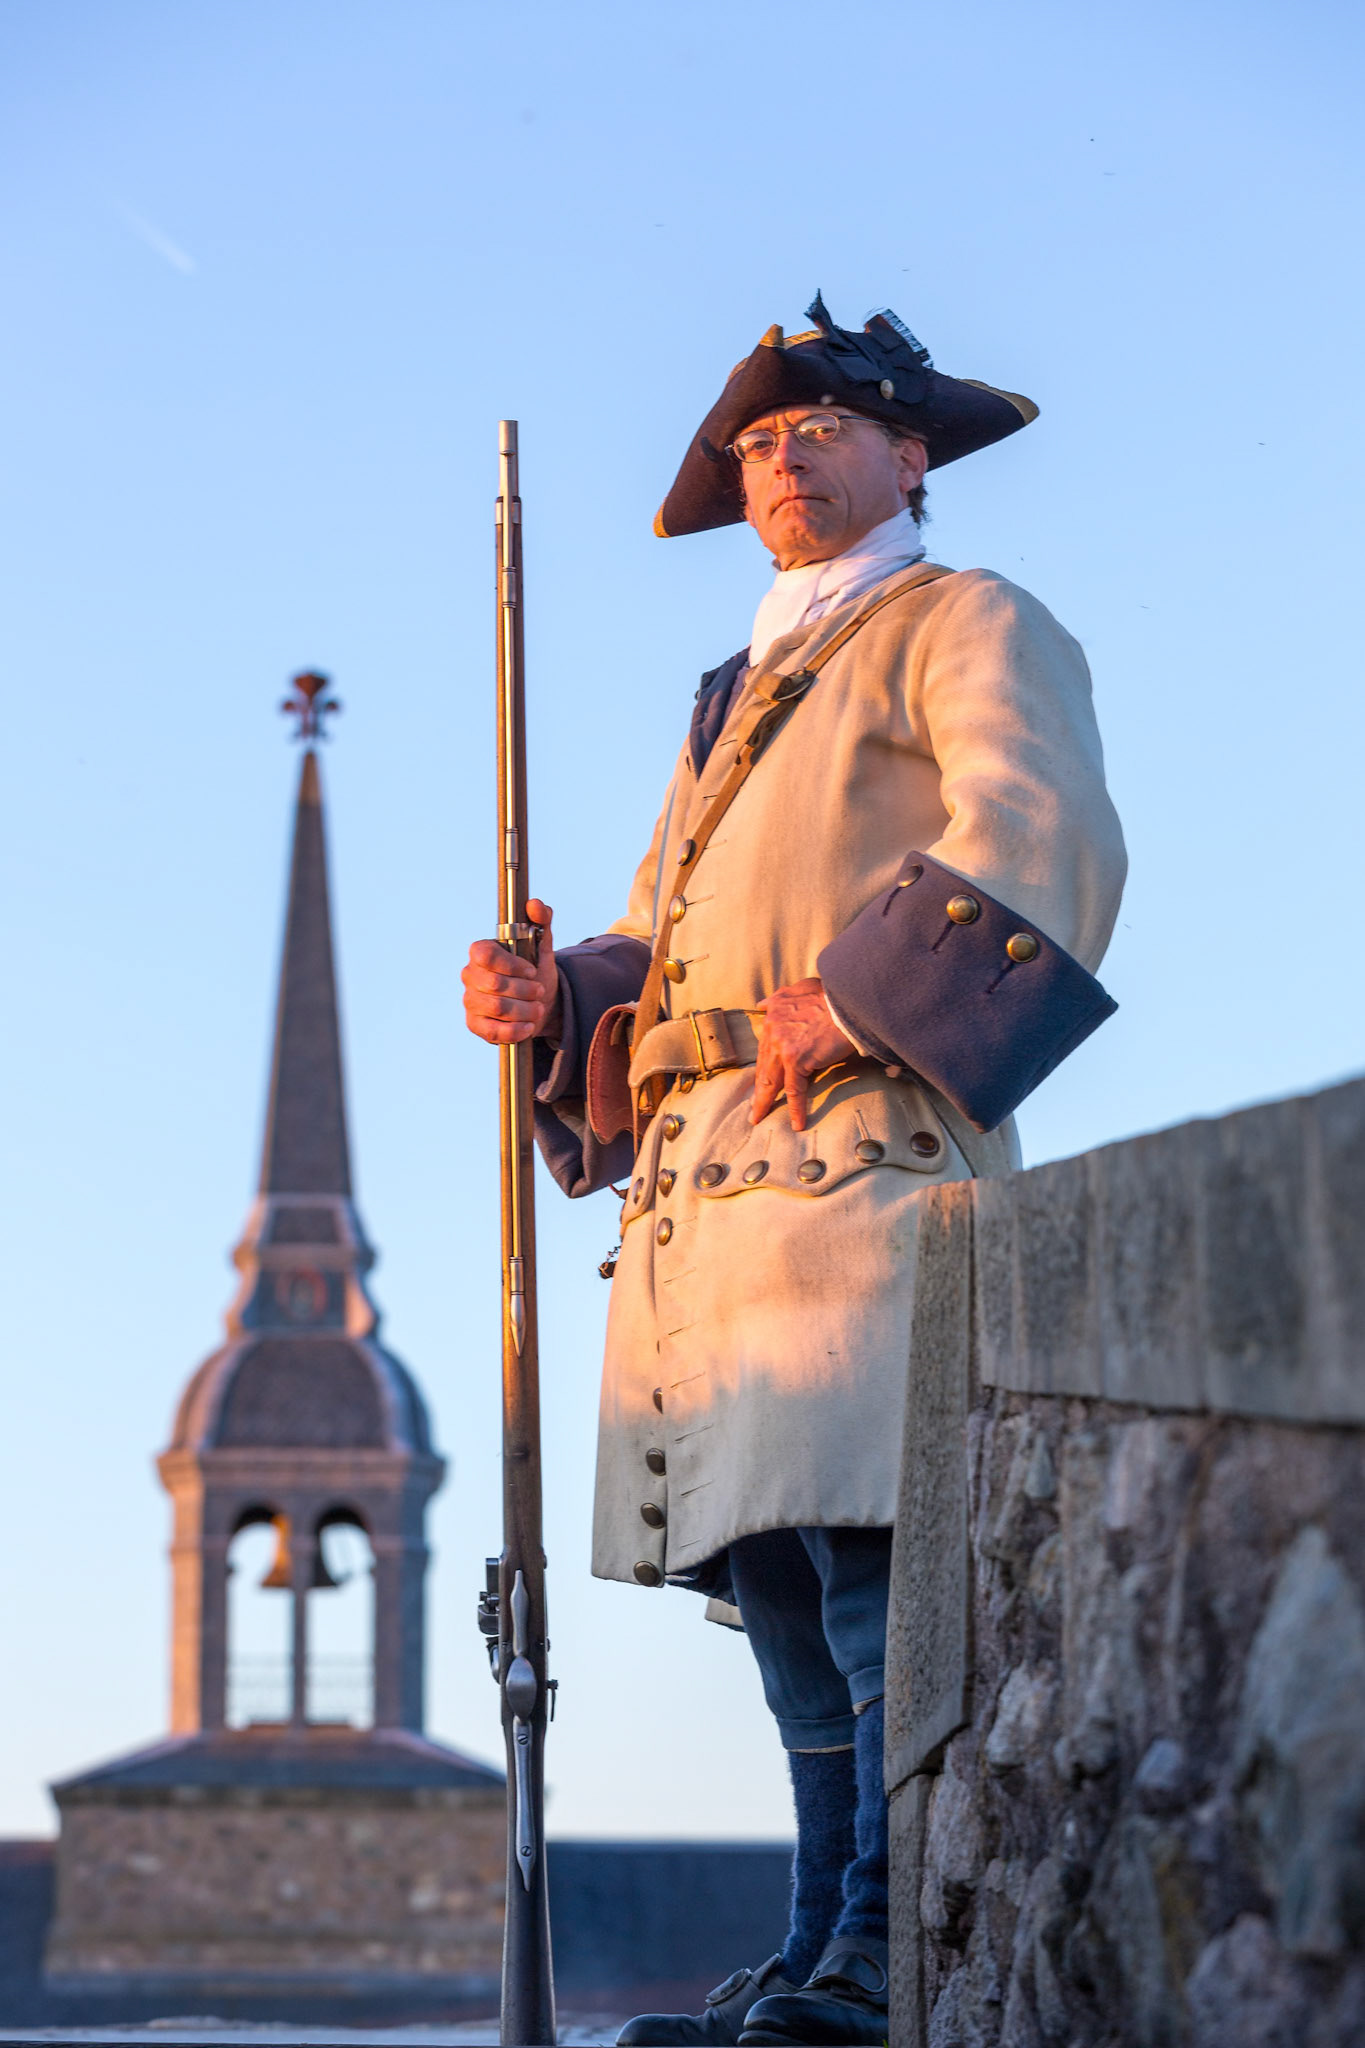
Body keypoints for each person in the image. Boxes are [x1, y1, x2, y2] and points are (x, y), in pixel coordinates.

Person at [462, 293, 1126, 2046]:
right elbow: (654, 939)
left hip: (862, 1167)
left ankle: (878, 1954)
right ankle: (817, 1947)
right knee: (775, 1601)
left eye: (817, 429)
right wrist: (558, 1000)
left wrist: (851, 998)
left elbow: (1039, 828)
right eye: (758, 441)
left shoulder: (962, 618)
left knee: (865, 1580)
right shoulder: (735, 697)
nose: (781, 458)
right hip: (710, 1207)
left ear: (909, 454)